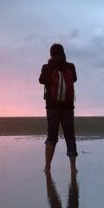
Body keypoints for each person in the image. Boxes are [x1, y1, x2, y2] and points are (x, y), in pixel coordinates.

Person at [39, 43, 78, 173]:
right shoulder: (70, 66)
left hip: (52, 108)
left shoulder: (47, 67)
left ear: (51, 54)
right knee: (70, 136)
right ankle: (73, 167)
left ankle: (47, 166)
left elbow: (41, 80)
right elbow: (75, 79)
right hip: (68, 107)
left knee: (51, 137)